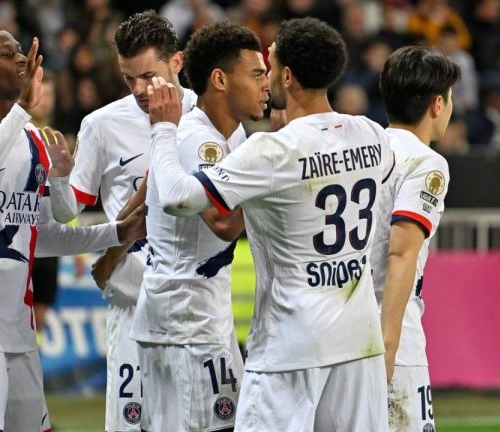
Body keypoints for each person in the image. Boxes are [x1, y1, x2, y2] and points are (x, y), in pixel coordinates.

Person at [146, 17, 394, 431]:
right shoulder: (371, 135)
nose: (266, 77)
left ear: (289, 76)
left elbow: (177, 198)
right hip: (358, 341)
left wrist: (162, 130)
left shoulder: (271, 151)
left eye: (270, 66)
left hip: (291, 343)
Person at [0, 26, 145, 432]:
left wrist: (115, 233)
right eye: (6, 54)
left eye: (21, 51)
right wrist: (21, 109)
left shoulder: (33, 140)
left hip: (16, 334)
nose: (21, 58)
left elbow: (40, 235)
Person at [46, 11, 197, 432]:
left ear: (178, 62)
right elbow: (67, 211)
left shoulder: (210, 120)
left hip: (196, 312)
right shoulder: (102, 124)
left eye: (148, 76)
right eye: (129, 79)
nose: (139, 90)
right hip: (132, 306)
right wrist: (59, 179)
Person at [129, 21, 268, 431]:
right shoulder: (197, 138)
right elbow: (223, 223)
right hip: (183, 321)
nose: (266, 84)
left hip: (200, 316)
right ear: (220, 79)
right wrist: (271, 194)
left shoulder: (235, 135)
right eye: (256, 74)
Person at [372, 45, 460, 432]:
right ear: (437, 105)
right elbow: (402, 252)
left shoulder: (361, 148)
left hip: (341, 328)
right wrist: (389, 346)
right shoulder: (427, 162)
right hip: (393, 335)